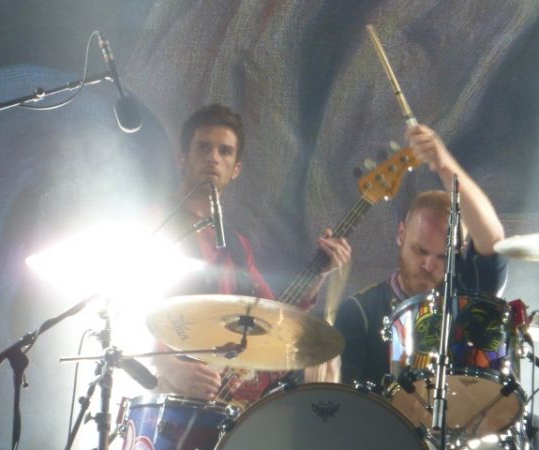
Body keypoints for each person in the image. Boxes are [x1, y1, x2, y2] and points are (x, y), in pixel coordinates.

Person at [151, 103, 352, 404]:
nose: (213, 158)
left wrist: (319, 272)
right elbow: (120, 316)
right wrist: (170, 368)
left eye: (225, 151)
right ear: (183, 158)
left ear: (236, 169)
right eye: (203, 147)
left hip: (224, 407)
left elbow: (274, 315)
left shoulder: (236, 244)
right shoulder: (154, 223)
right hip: (163, 399)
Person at [334, 124, 507, 388]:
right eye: (420, 250)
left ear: (458, 251)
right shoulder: (359, 312)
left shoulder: (467, 290)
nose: (428, 265)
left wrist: (443, 164)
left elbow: (493, 240)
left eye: (443, 257)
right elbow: (347, 403)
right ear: (401, 234)